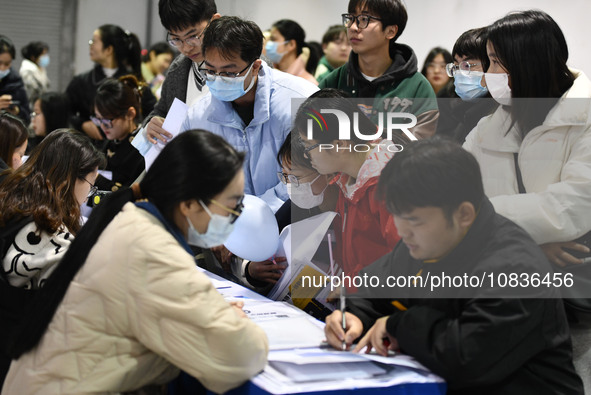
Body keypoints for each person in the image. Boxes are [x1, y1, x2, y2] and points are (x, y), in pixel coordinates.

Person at [2, 130, 268, 394]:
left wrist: (208, 313)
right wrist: (228, 319)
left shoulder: (131, 223)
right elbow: (241, 354)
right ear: (189, 204)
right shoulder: (152, 250)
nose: (234, 217)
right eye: (233, 206)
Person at [324, 139, 584, 394]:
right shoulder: (425, 243)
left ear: (464, 214)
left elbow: (466, 359)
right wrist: (354, 316)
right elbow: (373, 286)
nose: (403, 232)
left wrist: (398, 324)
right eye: (397, 216)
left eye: (414, 220)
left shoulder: (515, 268)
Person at [462, 10, 591, 389]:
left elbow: (573, 206)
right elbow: (454, 198)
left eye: (497, 63)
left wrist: (488, 224)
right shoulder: (493, 123)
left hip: (575, 302)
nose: (489, 74)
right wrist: (530, 246)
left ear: (528, 63)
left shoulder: (584, 117)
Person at [174, 16, 318, 212]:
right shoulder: (198, 116)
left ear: (255, 67)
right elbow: (189, 174)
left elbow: (311, 174)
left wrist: (255, 212)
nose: (218, 79)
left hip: (293, 219)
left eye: (229, 73)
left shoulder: (300, 102)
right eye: (210, 70)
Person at [295, 88, 409, 282]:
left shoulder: (391, 185)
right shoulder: (346, 180)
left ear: (339, 144)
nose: (307, 156)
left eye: (309, 147)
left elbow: (404, 266)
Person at [0, 129, 105, 289]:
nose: (87, 196)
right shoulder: (53, 237)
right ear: (69, 180)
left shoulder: (10, 192)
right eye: (91, 185)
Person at [319, 0, 438, 139]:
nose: (353, 27)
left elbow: (416, 150)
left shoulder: (418, 87)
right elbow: (310, 136)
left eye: (364, 19)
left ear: (390, 31)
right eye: (351, 18)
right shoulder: (333, 82)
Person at [141, 0, 221, 139]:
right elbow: (160, 111)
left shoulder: (246, 64)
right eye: (176, 39)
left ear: (214, 21)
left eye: (193, 37)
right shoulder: (177, 69)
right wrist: (150, 125)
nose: (186, 48)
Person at [65, 24, 156, 141]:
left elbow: (154, 112)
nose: (90, 45)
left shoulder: (131, 82)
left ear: (109, 49)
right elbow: (65, 109)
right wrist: (82, 123)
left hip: (126, 149)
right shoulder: (81, 81)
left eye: (94, 41)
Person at [435, 27, 497, 143]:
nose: (459, 74)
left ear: (492, 64)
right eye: (456, 66)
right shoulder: (462, 113)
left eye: (468, 65)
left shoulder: (499, 115)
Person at [92, 75, 146, 192]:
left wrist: (97, 179)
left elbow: (133, 193)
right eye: (98, 119)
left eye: (107, 120)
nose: (102, 126)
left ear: (130, 114)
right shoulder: (110, 141)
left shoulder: (143, 148)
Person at [265, 19, 318, 85]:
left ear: (291, 44)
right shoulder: (270, 75)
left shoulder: (308, 83)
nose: (268, 44)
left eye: (273, 39)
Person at [0, 35, 29, 124]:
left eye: (7, 64)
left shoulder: (16, 81)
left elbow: (27, 117)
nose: (3, 68)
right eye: (0, 63)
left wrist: (16, 110)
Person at [19, 41, 50, 105]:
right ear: (33, 57)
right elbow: (32, 92)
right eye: (43, 55)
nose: (46, 57)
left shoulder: (40, 69)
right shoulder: (27, 71)